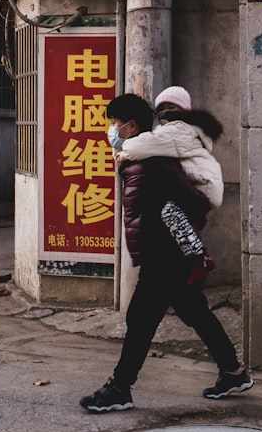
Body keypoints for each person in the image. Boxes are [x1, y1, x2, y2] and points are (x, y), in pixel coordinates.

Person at [79, 93, 253, 412]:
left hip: (165, 255)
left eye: (115, 125)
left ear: (131, 127)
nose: (112, 131)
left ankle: (120, 387)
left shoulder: (154, 161)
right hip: (166, 254)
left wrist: (174, 230)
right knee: (194, 312)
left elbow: (193, 199)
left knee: (141, 319)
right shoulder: (141, 158)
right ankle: (233, 371)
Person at [115, 85, 223, 284]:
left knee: (170, 212)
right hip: (202, 189)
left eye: (171, 106)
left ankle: (199, 257)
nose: (113, 129)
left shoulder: (177, 131)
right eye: (163, 106)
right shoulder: (177, 133)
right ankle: (197, 259)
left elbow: (142, 144)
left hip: (201, 190)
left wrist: (123, 151)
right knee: (185, 299)